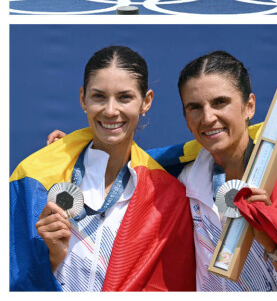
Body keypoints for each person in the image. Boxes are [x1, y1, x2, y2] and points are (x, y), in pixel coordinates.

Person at [10, 46, 195, 291]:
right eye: (98, 96)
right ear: (82, 98)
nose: (110, 111)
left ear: (146, 101)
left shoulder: (168, 200)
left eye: (124, 97)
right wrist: (51, 258)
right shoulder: (37, 179)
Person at [151, 51, 277, 290]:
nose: (208, 117)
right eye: (195, 107)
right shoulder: (182, 183)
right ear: (186, 119)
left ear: (249, 106)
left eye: (220, 103)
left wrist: (275, 251)